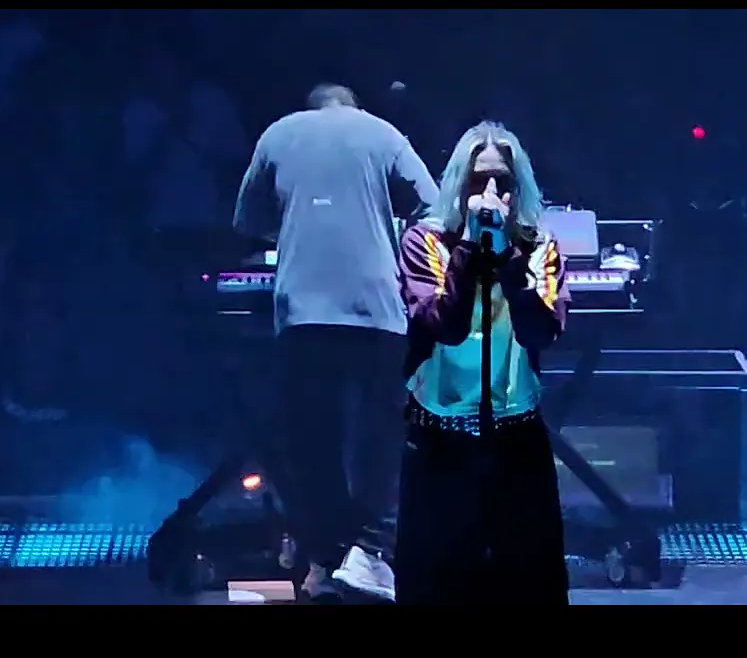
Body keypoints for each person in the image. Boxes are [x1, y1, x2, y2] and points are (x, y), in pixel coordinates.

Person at [232, 83, 438, 603]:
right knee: (380, 439)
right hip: (376, 310)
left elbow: (246, 221)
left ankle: (325, 559)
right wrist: (390, 232)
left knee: (312, 441)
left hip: (303, 313)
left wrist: (297, 227)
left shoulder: (278, 134)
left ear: (312, 107)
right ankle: (370, 555)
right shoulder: (383, 133)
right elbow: (434, 209)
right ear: (352, 106)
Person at [395, 121, 571, 605]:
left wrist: (509, 259)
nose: (490, 194)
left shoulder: (539, 246)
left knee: (530, 587)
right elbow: (443, 325)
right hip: (441, 440)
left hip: (516, 439)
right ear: (459, 184)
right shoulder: (425, 242)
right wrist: (471, 248)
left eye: (502, 181)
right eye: (478, 181)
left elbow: (542, 331)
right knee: (436, 588)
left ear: (519, 188)